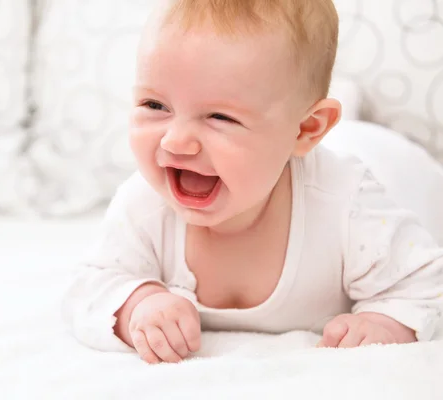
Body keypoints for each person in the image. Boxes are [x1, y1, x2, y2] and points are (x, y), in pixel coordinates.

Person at [62, 0, 443, 364]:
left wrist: (385, 323)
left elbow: (423, 283)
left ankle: (351, 108)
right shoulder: (143, 206)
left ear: (306, 129)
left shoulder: (348, 205)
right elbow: (90, 285)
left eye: (219, 117)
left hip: (392, 161)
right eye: (155, 105)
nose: (175, 141)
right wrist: (138, 303)